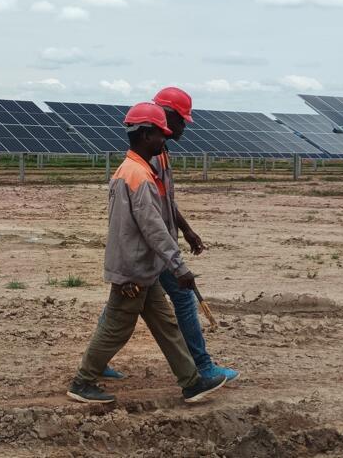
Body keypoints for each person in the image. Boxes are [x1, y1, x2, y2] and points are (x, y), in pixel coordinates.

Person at [66, 102, 227, 404]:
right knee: (116, 328)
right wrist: (179, 268)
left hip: (143, 270)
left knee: (166, 324)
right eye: (159, 135)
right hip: (133, 272)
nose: (164, 141)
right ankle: (82, 382)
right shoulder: (137, 176)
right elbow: (154, 230)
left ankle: (192, 383)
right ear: (143, 135)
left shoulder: (134, 170)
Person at [102, 87, 240, 382]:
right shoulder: (148, 155)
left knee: (121, 307)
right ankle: (201, 368)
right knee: (178, 299)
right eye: (181, 120)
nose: (183, 128)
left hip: (159, 244)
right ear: (165, 116)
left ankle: (96, 362)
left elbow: (166, 202)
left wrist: (186, 229)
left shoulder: (159, 152)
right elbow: (149, 216)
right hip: (153, 246)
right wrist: (177, 263)